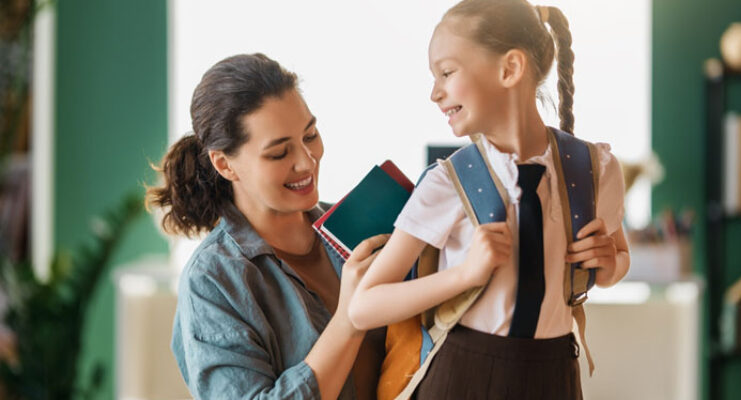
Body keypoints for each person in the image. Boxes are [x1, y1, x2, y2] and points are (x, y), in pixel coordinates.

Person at [348, 1, 630, 398]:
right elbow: (363, 307)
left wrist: (609, 265)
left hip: (555, 379)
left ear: (509, 69)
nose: (434, 93)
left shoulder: (594, 170)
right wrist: (465, 274)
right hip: (461, 378)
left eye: (447, 72)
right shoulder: (447, 182)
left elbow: (619, 258)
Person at [146, 53, 385, 400]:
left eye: (310, 135)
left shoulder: (356, 225)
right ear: (225, 164)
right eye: (279, 153)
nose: (306, 161)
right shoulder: (213, 281)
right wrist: (349, 320)